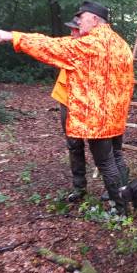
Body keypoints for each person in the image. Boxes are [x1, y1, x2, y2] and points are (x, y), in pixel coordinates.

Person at [0, 0, 134, 211]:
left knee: (105, 162)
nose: (79, 22)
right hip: (115, 113)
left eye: (82, 18)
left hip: (97, 117)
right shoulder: (120, 43)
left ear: (94, 20)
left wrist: (15, 37)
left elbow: (52, 47)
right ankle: (125, 200)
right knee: (116, 155)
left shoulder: (92, 43)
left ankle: (121, 209)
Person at [50, 17, 90, 201]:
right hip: (66, 100)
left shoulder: (91, 49)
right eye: (71, 29)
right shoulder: (69, 48)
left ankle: (113, 188)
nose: (71, 33)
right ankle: (79, 187)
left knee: (102, 147)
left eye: (75, 30)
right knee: (74, 145)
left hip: (89, 103)